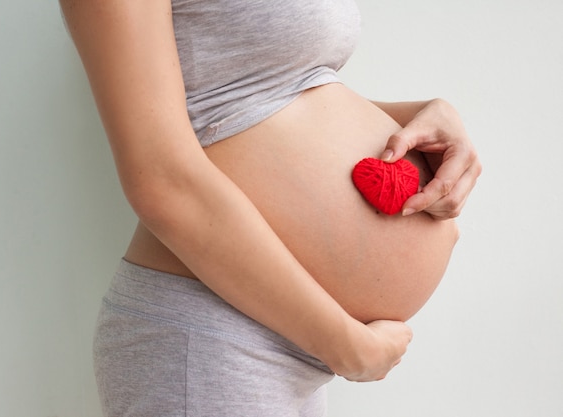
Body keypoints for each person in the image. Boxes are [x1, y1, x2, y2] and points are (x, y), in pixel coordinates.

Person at [59, 0, 481, 416]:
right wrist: (344, 346)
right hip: (213, 335)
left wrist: (425, 115)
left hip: (288, 335)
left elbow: (276, 98)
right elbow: (160, 178)